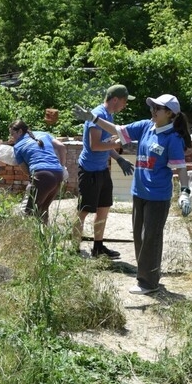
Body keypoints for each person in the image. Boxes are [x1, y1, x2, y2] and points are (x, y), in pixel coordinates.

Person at [73, 94, 192, 295]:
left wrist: (185, 192)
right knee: (139, 237)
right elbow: (118, 131)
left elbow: (181, 169)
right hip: (139, 192)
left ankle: (149, 283)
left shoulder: (173, 138)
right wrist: (92, 119)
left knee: (151, 239)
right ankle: (146, 275)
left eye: (158, 108)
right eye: (153, 107)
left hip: (158, 196)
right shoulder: (147, 126)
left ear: (170, 114)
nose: (153, 111)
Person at [74, 84, 137, 259]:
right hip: (89, 170)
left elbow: (106, 144)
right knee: (84, 210)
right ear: (115, 99)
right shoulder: (98, 115)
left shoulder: (109, 115)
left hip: (101, 169)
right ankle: (73, 248)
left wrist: (118, 158)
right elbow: (95, 146)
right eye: (124, 101)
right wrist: (120, 143)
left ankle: (98, 248)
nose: (125, 105)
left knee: (104, 208)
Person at [7, 119, 68, 224]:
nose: (12, 137)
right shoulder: (43, 134)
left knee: (29, 212)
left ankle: (29, 239)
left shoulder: (17, 146)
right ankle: (43, 238)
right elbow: (62, 147)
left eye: (13, 134)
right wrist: (62, 166)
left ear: (20, 131)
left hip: (42, 175)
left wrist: (34, 179)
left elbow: (26, 170)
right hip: (58, 174)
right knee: (43, 209)